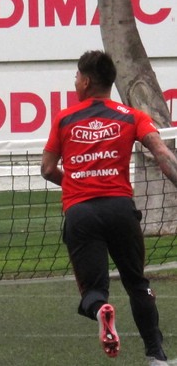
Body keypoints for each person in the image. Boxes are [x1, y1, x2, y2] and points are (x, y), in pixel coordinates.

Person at [41, 50, 177, 366]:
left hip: (81, 213)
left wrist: (77, 184)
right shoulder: (131, 116)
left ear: (86, 81)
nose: (75, 81)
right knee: (137, 283)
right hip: (120, 210)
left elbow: (47, 169)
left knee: (92, 291)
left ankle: (101, 308)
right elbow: (162, 155)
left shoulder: (64, 118)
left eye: (77, 76)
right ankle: (156, 355)